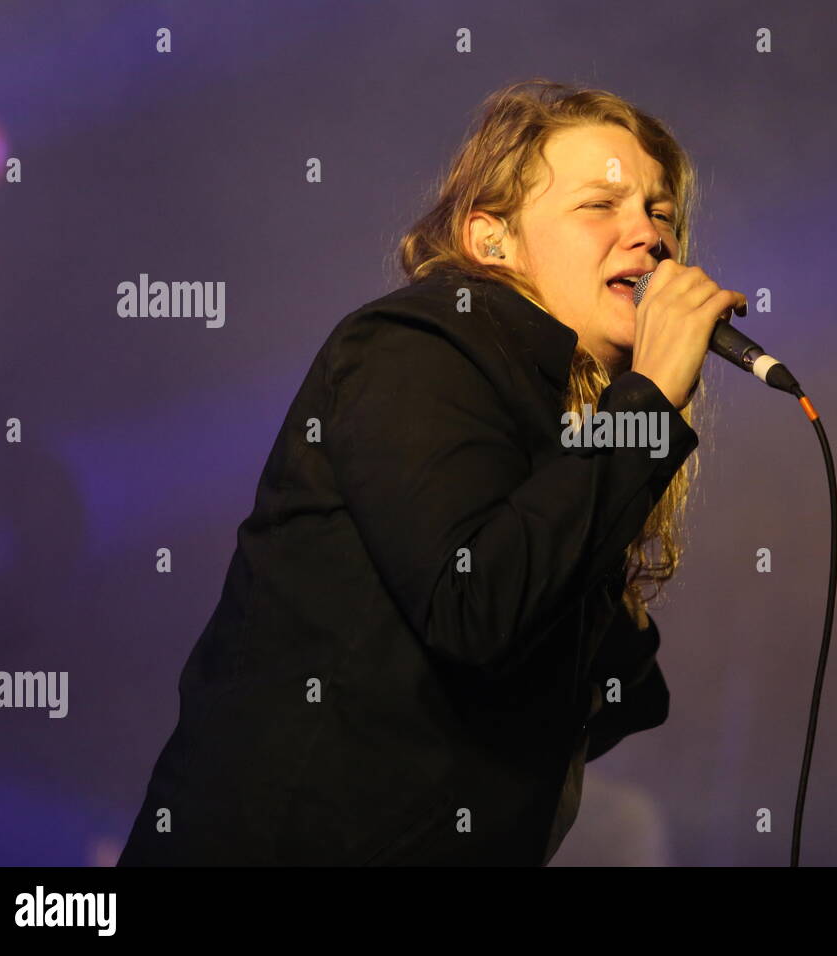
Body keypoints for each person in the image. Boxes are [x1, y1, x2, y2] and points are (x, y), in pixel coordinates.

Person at [117, 79, 747, 866]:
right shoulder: (418, 346)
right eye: (601, 206)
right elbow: (474, 603)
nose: (648, 237)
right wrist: (646, 403)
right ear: (493, 241)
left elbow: (612, 694)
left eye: (660, 212)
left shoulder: (567, 424)